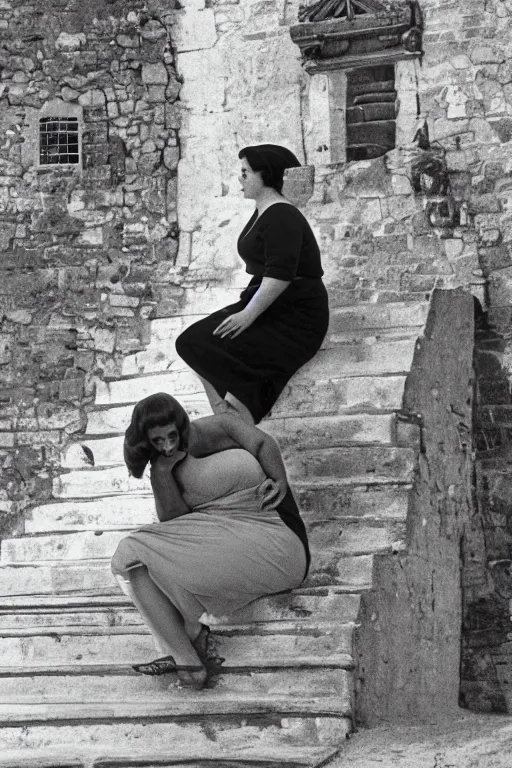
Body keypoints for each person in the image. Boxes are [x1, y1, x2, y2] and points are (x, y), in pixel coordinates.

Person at [111, 392, 310, 690]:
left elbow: (262, 443)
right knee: (135, 561)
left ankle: (187, 634)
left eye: (171, 435)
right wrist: (164, 473)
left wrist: (280, 479)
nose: (167, 445)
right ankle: (188, 662)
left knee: (134, 550)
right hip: (222, 538)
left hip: (274, 534)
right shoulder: (161, 467)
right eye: (157, 441)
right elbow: (177, 526)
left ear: (182, 425)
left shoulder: (218, 427)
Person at [175, 143, 329, 425]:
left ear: (264, 175)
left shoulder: (282, 214)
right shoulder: (265, 210)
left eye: (245, 172)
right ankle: (227, 416)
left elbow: (280, 275)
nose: (240, 178)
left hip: (296, 316)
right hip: (272, 306)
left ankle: (235, 415)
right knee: (191, 342)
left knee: (196, 342)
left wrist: (248, 315)